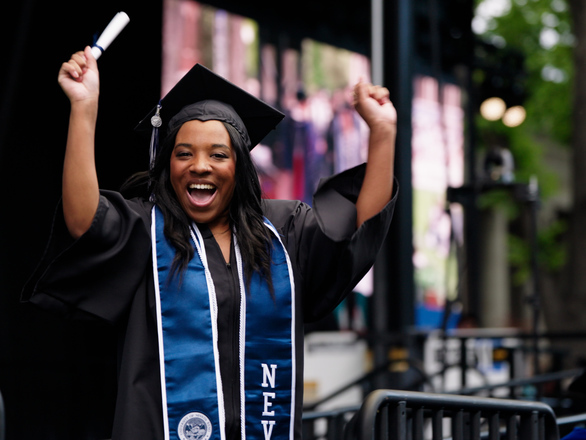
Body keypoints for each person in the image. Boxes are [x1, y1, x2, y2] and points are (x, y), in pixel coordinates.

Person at [22, 46, 398, 440]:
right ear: (168, 164)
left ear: (239, 167)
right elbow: (85, 219)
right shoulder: (147, 230)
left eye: (218, 154)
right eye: (184, 154)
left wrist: (383, 133)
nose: (200, 165)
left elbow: (358, 229)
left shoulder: (283, 231)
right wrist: (84, 108)